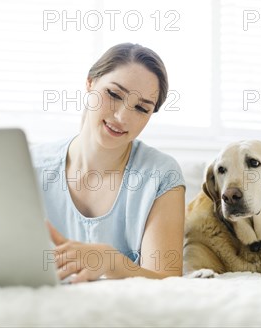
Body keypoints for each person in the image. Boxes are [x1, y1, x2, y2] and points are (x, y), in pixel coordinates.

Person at [31, 43, 186, 284]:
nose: (123, 117)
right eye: (114, 94)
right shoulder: (31, 166)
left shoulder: (161, 175)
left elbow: (167, 281)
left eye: (141, 108)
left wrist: (110, 260)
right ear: (90, 82)